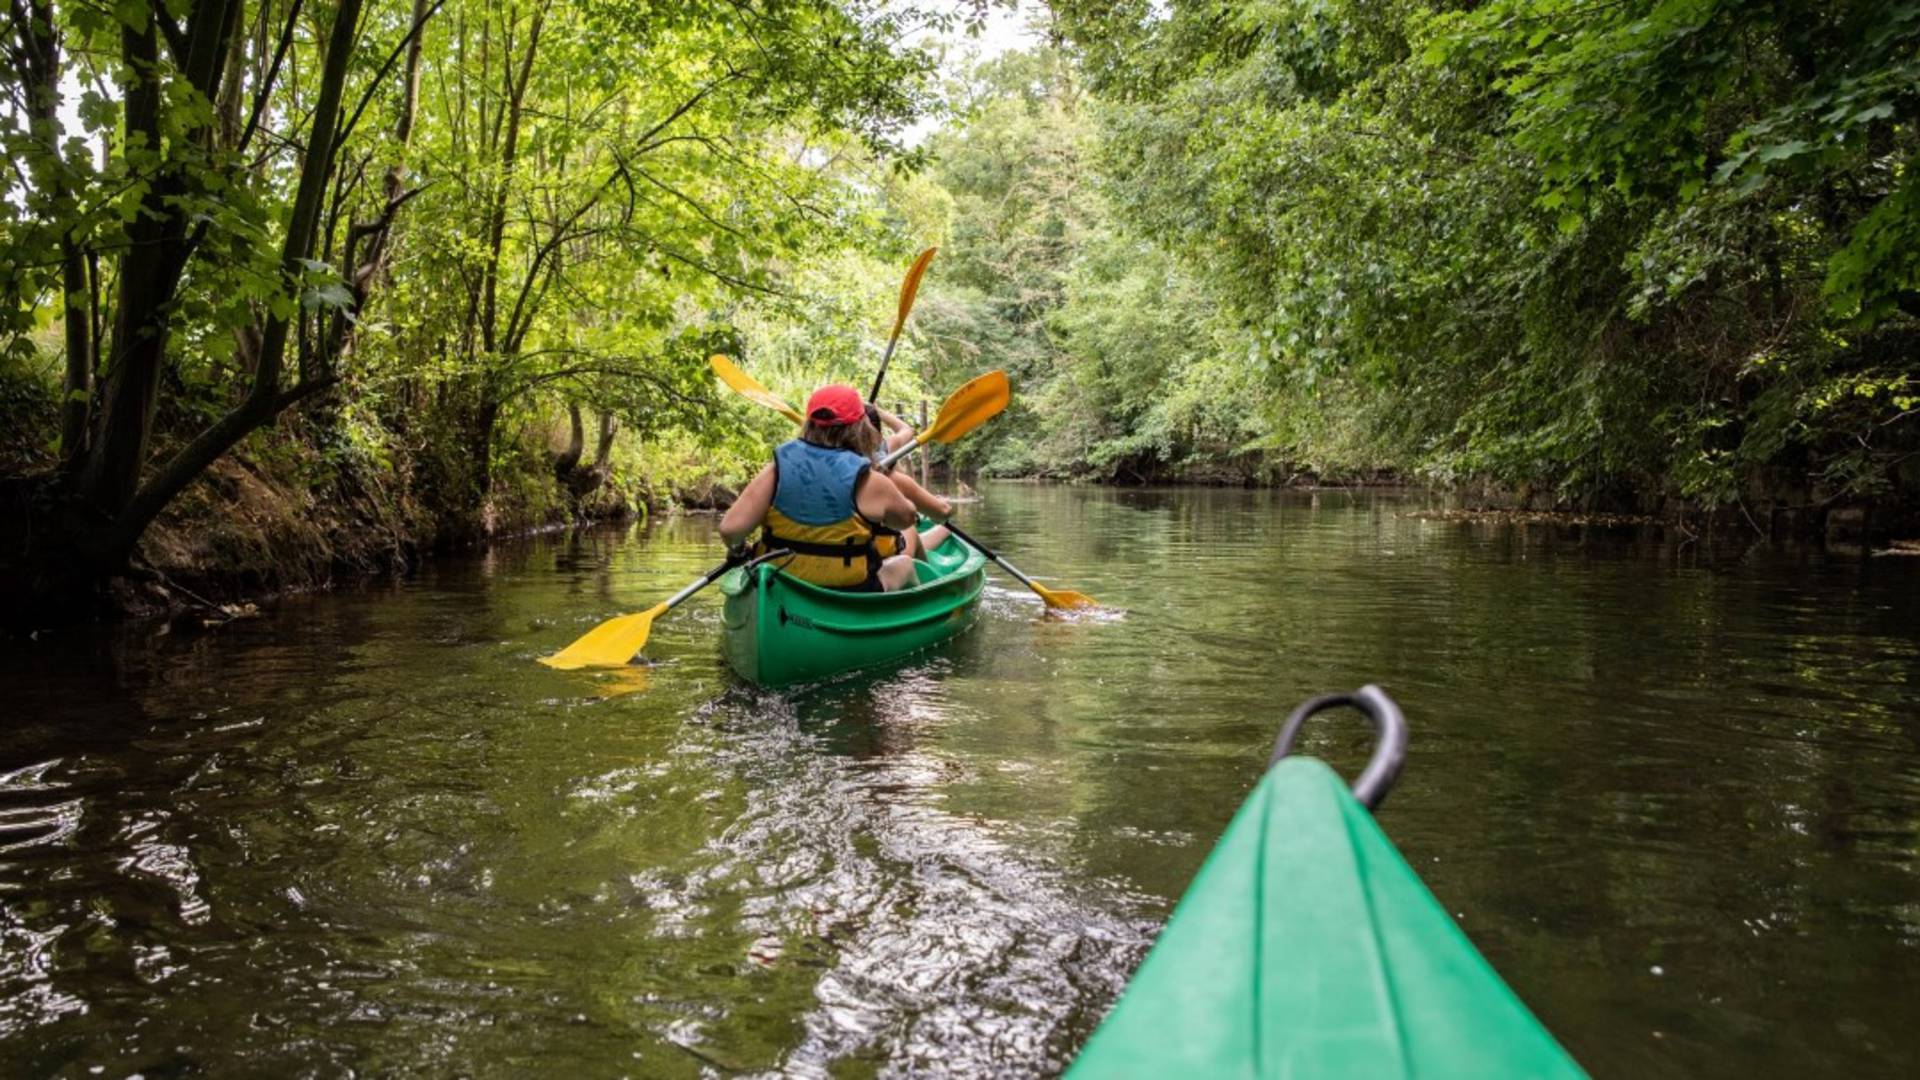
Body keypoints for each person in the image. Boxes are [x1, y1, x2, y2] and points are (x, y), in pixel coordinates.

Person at [720, 385, 921, 592]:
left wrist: (738, 550)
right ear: (861, 428)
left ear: (809, 424)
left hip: (780, 584)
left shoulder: (775, 471)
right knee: (905, 564)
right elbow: (905, 520)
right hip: (849, 590)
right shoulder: (871, 480)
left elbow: (730, 529)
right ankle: (910, 610)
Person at [864, 402, 953, 558]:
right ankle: (944, 532)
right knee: (909, 528)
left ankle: (942, 531)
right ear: (877, 436)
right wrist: (880, 412)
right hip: (880, 553)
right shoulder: (889, 457)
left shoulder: (827, 469)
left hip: (847, 552)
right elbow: (943, 512)